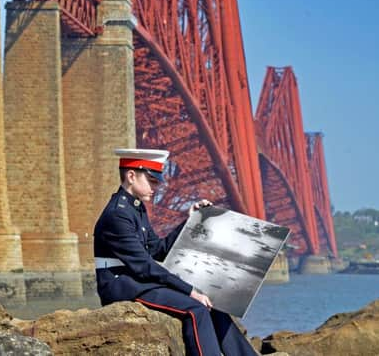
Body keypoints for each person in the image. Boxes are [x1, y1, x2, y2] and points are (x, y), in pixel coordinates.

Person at [93, 148, 258, 356]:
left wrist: (189, 222)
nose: (157, 186)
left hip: (138, 281)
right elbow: (144, 266)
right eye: (152, 180)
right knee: (195, 309)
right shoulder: (118, 214)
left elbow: (157, 250)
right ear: (131, 176)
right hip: (122, 285)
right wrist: (190, 291)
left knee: (212, 302)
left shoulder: (135, 209)